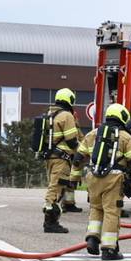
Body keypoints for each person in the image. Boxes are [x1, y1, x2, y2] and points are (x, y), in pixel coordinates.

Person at [76, 104, 131, 261]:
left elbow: (78, 157)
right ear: (122, 118)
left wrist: (75, 177)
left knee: (96, 208)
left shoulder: (93, 134)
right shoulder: (126, 137)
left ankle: (92, 238)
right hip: (113, 178)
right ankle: (109, 250)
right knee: (112, 212)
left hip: (92, 177)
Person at [40, 88, 80, 233]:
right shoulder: (66, 116)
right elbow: (71, 140)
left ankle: (51, 220)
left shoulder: (50, 114)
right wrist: (81, 153)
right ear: (70, 100)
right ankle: (50, 222)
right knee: (56, 188)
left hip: (50, 157)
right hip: (61, 159)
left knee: (54, 186)